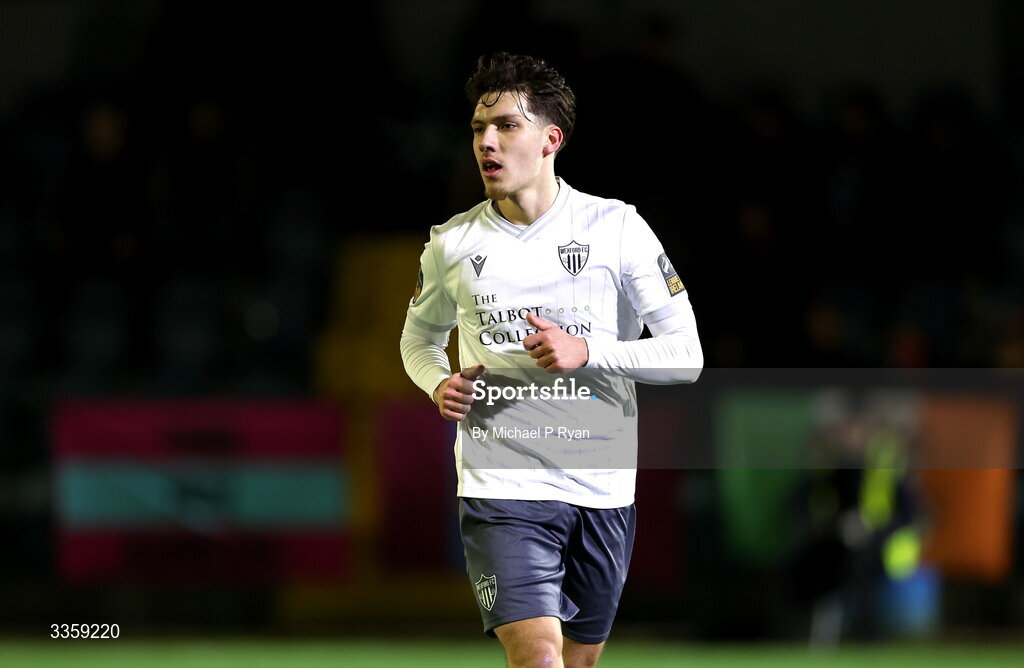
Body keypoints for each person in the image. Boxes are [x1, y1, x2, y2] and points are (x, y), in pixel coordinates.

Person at [400, 52, 703, 668]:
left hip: (602, 484)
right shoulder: (451, 243)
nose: (487, 141)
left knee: (577, 661)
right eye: (479, 129)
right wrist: (438, 382)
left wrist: (587, 351)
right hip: (500, 483)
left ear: (550, 140)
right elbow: (418, 341)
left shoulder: (618, 229)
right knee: (538, 658)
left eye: (507, 126)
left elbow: (687, 356)